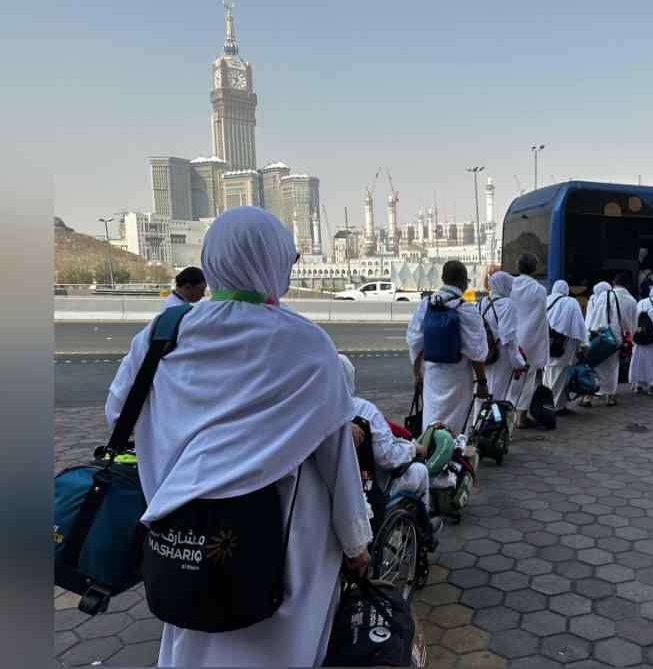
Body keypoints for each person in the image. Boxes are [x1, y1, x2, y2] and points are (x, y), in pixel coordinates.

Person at [106, 207, 372, 667]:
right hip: (286, 539)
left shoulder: (162, 333)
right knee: (279, 646)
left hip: (182, 525)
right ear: (271, 263)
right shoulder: (307, 344)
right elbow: (337, 461)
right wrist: (355, 543)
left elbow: (119, 414)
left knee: (194, 640)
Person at [340, 354, 441, 535]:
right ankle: (423, 530)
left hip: (334, 489)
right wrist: (412, 449)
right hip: (371, 488)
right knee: (420, 471)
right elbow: (387, 457)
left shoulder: (313, 413)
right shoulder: (364, 410)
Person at [406, 260, 489, 436]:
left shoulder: (426, 305)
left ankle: (429, 452)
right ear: (463, 281)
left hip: (433, 376)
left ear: (443, 279)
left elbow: (414, 342)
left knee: (432, 417)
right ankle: (453, 457)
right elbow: (477, 352)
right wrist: (482, 382)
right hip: (458, 377)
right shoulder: (466, 309)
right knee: (457, 422)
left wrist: (417, 374)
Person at [509, 254, 550, 428]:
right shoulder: (539, 290)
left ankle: (505, 416)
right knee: (528, 379)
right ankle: (521, 418)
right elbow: (541, 318)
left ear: (518, 267)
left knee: (509, 379)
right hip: (531, 341)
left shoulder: (509, 285)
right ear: (535, 269)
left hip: (511, 340)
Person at [478, 271, 527, 412]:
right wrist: (518, 362)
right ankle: (492, 427)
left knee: (483, 393)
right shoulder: (507, 305)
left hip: (485, 354)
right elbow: (509, 339)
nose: (511, 289)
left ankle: (478, 424)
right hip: (501, 357)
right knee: (498, 393)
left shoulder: (481, 303)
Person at [582, 281, 632, 406]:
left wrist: (589, 335)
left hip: (600, 338)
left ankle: (588, 397)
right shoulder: (621, 298)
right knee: (613, 368)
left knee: (595, 366)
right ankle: (610, 397)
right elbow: (625, 320)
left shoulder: (600, 298)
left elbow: (593, 320)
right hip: (615, 339)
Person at [544, 279, 589, 413]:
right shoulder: (571, 302)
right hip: (562, 345)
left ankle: (553, 404)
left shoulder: (546, 300)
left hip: (547, 343)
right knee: (559, 375)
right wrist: (584, 343)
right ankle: (555, 407)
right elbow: (578, 325)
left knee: (548, 374)